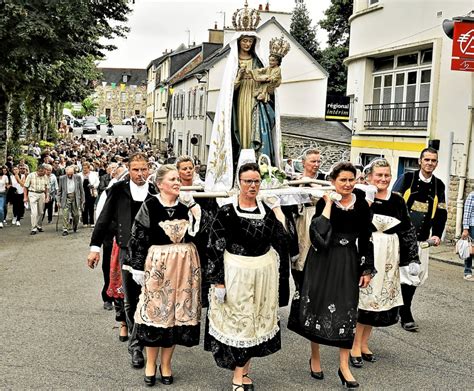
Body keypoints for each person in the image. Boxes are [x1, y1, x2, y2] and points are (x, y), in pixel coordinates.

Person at [288, 162, 375, 389]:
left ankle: (344, 367)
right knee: (318, 306)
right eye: (342, 180)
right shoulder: (325, 204)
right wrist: (327, 204)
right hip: (322, 261)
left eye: (351, 179)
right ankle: (315, 357)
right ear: (333, 181)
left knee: (347, 309)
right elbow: (318, 237)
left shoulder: (362, 205)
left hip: (348, 260)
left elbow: (366, 237)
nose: (347, 184)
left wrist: (367, 269)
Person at [205, 162, 291, 391]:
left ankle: (243, 373)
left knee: (254, 323)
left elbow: (283, 240)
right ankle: (237, 377)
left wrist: (278, 211)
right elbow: (214, 247)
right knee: (239, 323)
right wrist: (218, 281)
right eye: (248, 181)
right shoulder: (227, 211)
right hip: (236, 274)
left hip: (263, 273)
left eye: (256, 181)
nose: (252, 186)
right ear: (239, 183)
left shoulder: (267, 210)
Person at [124, 164, 202, 387]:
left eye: (179, 179)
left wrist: (196, 212)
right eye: (173, 179)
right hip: (159, 266)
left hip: (184, 268)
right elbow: (138, 236)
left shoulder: (186, 206)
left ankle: (166, 364)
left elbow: (201, 235)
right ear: (160, 184)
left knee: (175, 317)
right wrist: (137, 267)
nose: (178, 182)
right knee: (156, 313)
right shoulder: (150, 205)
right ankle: (151, 363)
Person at [88, 152, 155, 369]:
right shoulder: (118, 190)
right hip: (127, 250)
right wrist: (94, 248)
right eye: (135, 169)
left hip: (153, 252)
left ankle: (146, 338)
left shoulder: (155, 191)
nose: (140, 174)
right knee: (131, 299)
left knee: (151, 298)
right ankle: (136, 346)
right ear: (129, 170)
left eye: (143, 169)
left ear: (149, 169)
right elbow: (104, 218)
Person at [350, 159, 420, 367]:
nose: (383, 179)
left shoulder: (397, 201)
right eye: (379, 175)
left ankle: (364, 343)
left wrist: (411, 258)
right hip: (369, 250)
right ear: (369, 177)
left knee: (378, 301)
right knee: (364, 299)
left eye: (387, 175)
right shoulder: (361, 196)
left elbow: (407, 230)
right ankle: (354, 345)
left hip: (389, 253)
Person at [205, 3, 282, 192]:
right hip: (240, 100)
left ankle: (259, 165)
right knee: (240, 130)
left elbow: (268, 81)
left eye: (250, 41)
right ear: (238, 41)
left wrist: (268, 85)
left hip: (255, 100)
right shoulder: (233, 62)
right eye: (244, 40)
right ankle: (239, 164)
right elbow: (230, 89)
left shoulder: (258, 60)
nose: (247, 44)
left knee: (257, 130)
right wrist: (239, 77)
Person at [392, 147, 447, 332]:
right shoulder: (407, 179)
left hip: (423, 239)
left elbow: (441, 211)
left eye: (433, 161)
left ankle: (402, 308)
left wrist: (437, 234)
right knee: (404, 275)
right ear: (420, 161)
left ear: (436, 163)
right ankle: (405, 313)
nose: (430, 163)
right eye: (427, 160)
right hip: (402, 237)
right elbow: (395, 204)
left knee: (417, 275)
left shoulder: (439, 185)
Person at [57, 166, 84, 236]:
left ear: (73, 172)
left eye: (71, 174)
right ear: (66, 173)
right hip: (66, 198)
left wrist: (83, 200)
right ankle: (65, 229)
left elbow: (81, 190)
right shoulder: (62, 178)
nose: (70, 175)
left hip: (75, 198)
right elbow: (59, 191)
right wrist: (58, 201)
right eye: (68, 174)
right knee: (65, 214)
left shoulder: (78, 177)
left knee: (76, 215)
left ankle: (75, 226)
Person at [24, 164, 50, 235]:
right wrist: (25, 197)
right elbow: (25, 186)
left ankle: (39, 225)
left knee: (41, 212)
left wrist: (47, 196)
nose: (44, 173)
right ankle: (33, 228)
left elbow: (47, 187)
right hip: (32, 193)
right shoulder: (31, 176)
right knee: (34, 212)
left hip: (42, 194)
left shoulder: (45, 176)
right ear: (38, 171)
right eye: (43, 172)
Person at [79, 162, 99, 227]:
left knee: (91, 207)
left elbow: (97, 182)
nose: (84, 170)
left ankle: (92, 222)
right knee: (84, 207)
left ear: (89, 168)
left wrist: (93, 186)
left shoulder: (93, 174)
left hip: (91, 192)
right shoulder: (79, 175)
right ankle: (85, 222)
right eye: (83, 168)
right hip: (82, 193)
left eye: (86, 168)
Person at [461, 191, 474, 281]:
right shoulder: (472, 195)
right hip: (472, 226)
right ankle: (467, 272)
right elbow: (467, 213)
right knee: (469, 250)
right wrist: (465, 229)